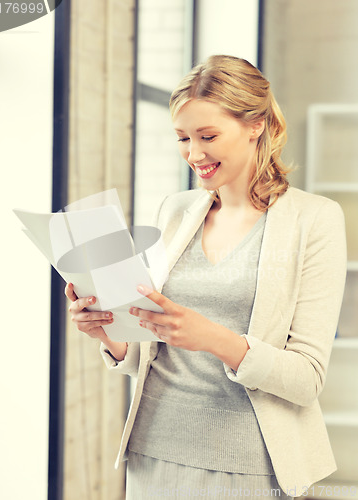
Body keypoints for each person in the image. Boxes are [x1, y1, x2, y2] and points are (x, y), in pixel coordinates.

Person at [65, 55, 347, 499]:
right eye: (182, 138)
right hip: (154, 453)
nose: (194, 154)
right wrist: (110, 333)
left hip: (252, 463)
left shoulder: (316, 220)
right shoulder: (176, 210)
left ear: (256, 125)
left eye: (208, 136)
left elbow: (307, 377)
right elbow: (153, 349)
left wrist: (211, 337)